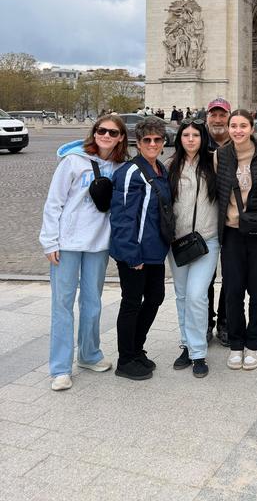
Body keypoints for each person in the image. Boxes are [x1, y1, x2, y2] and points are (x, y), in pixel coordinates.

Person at [39, 114, 128, 391]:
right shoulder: (72, 161)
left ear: (121, 138)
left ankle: (89, 354)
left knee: (92, 304)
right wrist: (50, 241)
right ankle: (60, 368)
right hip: (66, 244)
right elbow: (54, 202)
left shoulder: (120, 166)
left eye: (113, 132)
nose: (106, 136)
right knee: (62, 306)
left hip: (98, 244)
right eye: (102, 130)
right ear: (94, 132)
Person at [110, 116, 171, 380]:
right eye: (147, 139)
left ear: (164, 141)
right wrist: (131, 254)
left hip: (155, 250)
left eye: (157, 139)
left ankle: (136, 348)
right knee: (132, 303)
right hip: (134, 252)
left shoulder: (161, 169)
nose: (152, 144)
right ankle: (125, 359)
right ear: (138, 142)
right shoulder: (129, 173)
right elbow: (122, 218)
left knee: (155, 297)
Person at [214, 109, 257, 370]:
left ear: (252, 128)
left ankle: (253, 344)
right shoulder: (219, 155)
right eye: (234, 126)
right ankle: (236, 344)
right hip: (232, 232)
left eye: (243, 126)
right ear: (228, 129)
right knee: (233, 291)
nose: (238, 130)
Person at [167, 120, 219, 378]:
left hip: (207, 240)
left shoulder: (214, 163)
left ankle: (198, 353)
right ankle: (187, 346)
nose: (190, 139)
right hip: (178, 243)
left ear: (203, 138)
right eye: (185, 135)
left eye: (195, 135)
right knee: (182, 297)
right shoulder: (170, 165)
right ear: (179, 138)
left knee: (197, 295)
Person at [205, 97, 232, 346]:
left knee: (232, 276)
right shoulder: (196, 143)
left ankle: (225, 321)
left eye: (222, 115)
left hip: (233, 222)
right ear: (207, 118)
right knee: (205, 277)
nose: (217, 119)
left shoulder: (241, 144)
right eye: (213, 115)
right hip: (205, 222)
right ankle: (205, 322)